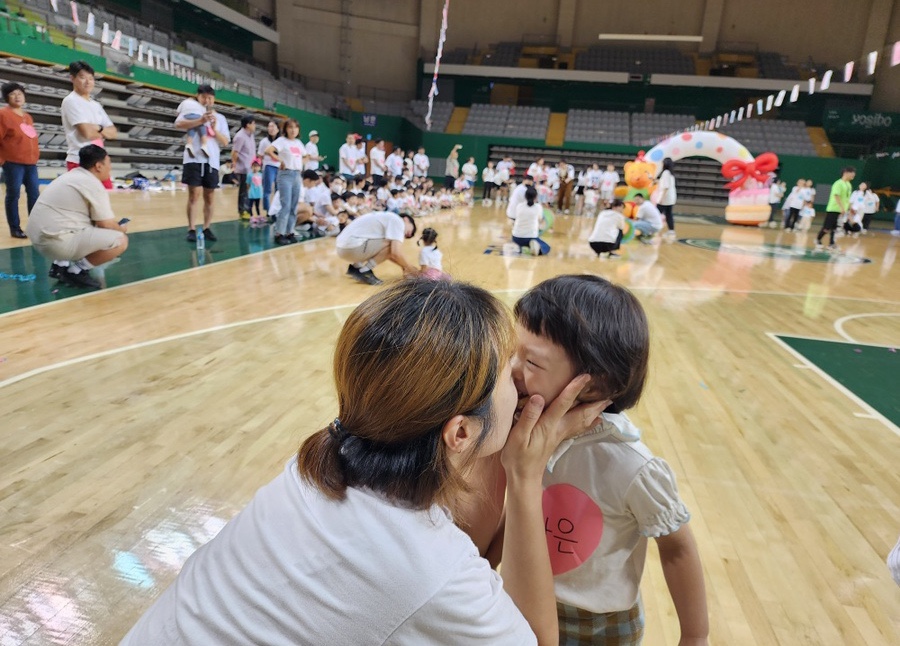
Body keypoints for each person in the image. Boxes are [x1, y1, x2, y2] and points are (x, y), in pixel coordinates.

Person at [122, 277, 609, 645]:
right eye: (509, 371)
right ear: (459, 431)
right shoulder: (428, 568)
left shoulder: (313, 467)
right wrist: (525, 476)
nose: (521, 384)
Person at [512, 275, 709, 645]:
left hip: (600, 625)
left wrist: (696, 635)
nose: (511, 369)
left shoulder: (630, 464)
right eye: (513, 351)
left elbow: (677, 547)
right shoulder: (520, 430)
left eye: (532, 363)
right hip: (523, 601)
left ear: (594, 386)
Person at [25, 145, 128, 289]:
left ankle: (59, 266)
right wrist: (121, 228)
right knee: (119, 239)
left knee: (86, 225)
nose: (110, 168)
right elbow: (106, 224)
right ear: (98, 166)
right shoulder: (93, 184)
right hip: (54, 244)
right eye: (109, 164)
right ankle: (76, 271)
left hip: (38, 238)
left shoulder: (71, 175)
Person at [175, 84, 230, 243]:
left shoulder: (220, 118)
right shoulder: (191, 109)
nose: (207, 100)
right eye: (204, 97)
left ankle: (206, 227)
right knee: (194, 195)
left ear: (214, 99)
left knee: (210, 196)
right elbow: (178, 124)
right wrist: (200, 120)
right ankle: (191, 228)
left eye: (210, 98)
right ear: (198, 96)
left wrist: (214, 128)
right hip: (193, 158)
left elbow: (225, 141)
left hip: (212, 160)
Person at [61, 61, 117, 190]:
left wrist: (98, 128)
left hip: (99, 161)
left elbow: (113, 133)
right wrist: (102, 130)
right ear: (72, 78)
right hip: (79, 161)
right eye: (82, 77)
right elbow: (86, 133)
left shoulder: (95, 105)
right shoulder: (71, 101)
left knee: (106, 200)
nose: (88, 82)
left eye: (91, 79)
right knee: (82, 205)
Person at [0, 81, 39, 238]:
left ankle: (35, 226)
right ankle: (15, 228)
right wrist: (2, 160)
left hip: (31, 163)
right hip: (12, 163)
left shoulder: (27, 117)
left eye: (20, 93)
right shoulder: (3, 114)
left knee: (34, 194)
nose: (17, 96)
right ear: (6, 98)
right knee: (14, 194)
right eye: (13, 94)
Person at [335, 211, 418, 285]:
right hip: (351, 247)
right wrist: (411, 269)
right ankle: (365, 271)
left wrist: (405, 266)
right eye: (409, 232)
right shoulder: (398, 221)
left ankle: (357, 267)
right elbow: (395, 253)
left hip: (343, 247)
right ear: (406, 219)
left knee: (389, 244)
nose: (405, 235)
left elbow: (386, 254)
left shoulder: (387, 217)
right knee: (391, 244)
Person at [265, 118, 307, 245]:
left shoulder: (299, 143)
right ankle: (280, 233)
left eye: (295, 127)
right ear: (286, 129)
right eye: (290, 127)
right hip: (285, 175)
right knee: (286, 205)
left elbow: (305, 156)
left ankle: (289, 231)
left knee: (294, 206)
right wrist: (280, 160)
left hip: (296, 175)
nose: (293, 130)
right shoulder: (282, 141)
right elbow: (268, 151)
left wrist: (300, 164)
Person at [816, 166, 855, 252]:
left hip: (842, 210)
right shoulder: (838, 183)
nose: (853, 175)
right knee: (827, 227)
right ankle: (818, 239)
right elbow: (836, 196)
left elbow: (847, 198)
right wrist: (841, 207)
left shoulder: (848, 184)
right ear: (846, 173)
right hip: (833, 209)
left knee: (835, 228)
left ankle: (831, 244)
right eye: (852, 173)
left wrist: (849, 208)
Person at [512, 185, 549, 256]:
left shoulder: (519, 206)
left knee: (522, 240)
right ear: (536, 197)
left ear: (525, 196)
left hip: (516, 237)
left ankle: (522, 247)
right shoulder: (538, 207)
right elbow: (540, 220)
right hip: (530, 237)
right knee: (546, 247)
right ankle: (535, 247)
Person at [231, 115, 257, 219]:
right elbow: (234, 152)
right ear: (248, 125)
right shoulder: (240, 136)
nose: (255, 126)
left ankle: (248, 209)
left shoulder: (251, 135)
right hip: (243, 168)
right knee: (243, 191)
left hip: (251, 168)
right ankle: (242, 211)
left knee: (250, 190)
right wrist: (234, 164)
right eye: (253, 123)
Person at [257, 120, 280, 215]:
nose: (271, 128)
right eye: (269, 126)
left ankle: (277, 210)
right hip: (268, 166)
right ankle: (268, 211)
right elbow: (260, 155)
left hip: (279, 167)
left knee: (279, 190)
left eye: (273, 126)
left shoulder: (281, 141)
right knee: (267, 190)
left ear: (278, 129)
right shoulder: (264, 141)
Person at [657, 157, 677, 239]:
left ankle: (654, 229)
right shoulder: (670, 173)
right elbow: (664, 183)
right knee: (669, 214)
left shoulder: (665, 173)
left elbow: (666, 187)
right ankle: (671, 231)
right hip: (671, 197)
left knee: (656, 213)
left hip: (665, 198)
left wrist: (661, 198)